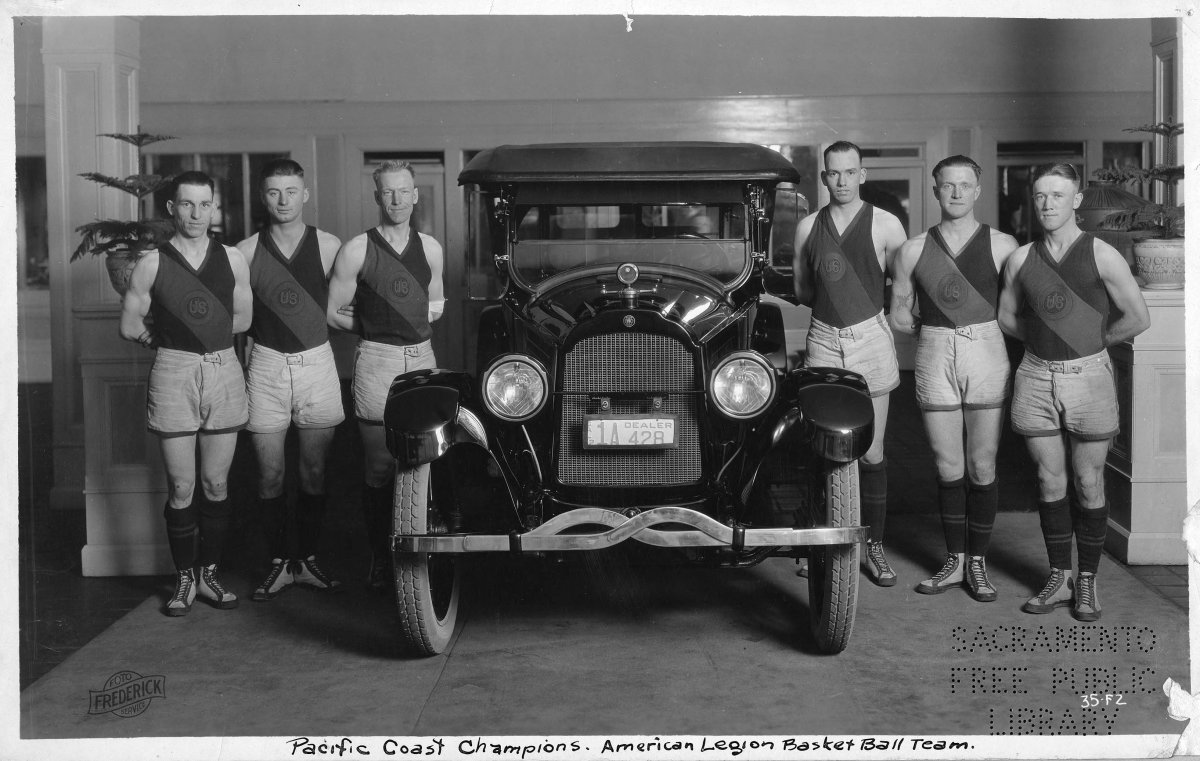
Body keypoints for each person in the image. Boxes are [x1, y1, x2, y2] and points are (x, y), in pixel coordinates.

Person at [997, 162, 1150, 622]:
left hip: (1089, 377)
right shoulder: (1020, 258)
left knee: (1087, 481)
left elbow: (1138, 318)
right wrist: (1046, 346)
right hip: (1035, 375)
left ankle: (1087, 580)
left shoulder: (1101, 254)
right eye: (1041, 196)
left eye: (1058, 196)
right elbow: (1007, 317)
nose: (1047, 204)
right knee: (1048, 480)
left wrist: (1088, 343)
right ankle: (1059, 576)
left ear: (1076, 200)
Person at [119, 170, 252, 616]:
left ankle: (209, 575)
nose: (196, 214)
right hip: (173, 370)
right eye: (187, 204)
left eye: (204, 204)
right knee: (181, 485)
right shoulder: (152, 262)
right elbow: (129, 324)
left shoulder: (232, 259)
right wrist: (172, 347)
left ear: (214, 208)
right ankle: (183, 579)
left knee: (216, 483)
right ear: (171, 209)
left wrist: (204, 340)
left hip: (221, 367)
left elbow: (242, 320)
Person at [889, 155, 1019, 601]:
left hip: (986, 348)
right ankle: (955, 560)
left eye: (965, 185)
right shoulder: (913, 248)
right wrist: (933, 330)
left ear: (978, 190)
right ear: (936, 190)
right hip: (934, 349)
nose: (957, 193)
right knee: (947, 465)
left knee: (982, 464)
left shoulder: (1003, 246)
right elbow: (899, 313)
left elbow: (1018, 310)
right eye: (949, 185)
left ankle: (978, 562)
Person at [327, 160, 445, 591]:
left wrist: (409, 325)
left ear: (415, 194)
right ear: (377, 197)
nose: (397, 200)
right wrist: (378, 327)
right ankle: (381, 558)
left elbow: (436, 305)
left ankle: (423, 558)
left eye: (404, 191)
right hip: (377, 359)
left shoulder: (430, 248)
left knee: (425, 460)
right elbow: (330, 313)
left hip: (421, 358)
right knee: (379, 465)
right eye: (388, 192)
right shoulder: (357, 248)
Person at [793, 141, 908, 586]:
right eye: (833, 173)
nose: (841, 181)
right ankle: (817, 543)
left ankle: (873, 547)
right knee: (822, 448)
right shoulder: (807, 228)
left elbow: (903, 284)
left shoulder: (886, 224)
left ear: (863, 175)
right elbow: (804, 292)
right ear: (824, 178)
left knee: (873, 451)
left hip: (871, 340)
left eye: (849, 172)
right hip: (823, 339)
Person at [235, 159, 345, 601]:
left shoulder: (329, 246)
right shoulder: (243, 252)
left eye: (291, 191)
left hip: (316, 362)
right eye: (275, 192)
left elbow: (355, 299)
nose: (283, 201)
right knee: (270, 475)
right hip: (266, 365)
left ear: (305, 194)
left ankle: (309, 560)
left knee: (314, 471)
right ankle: (280, 562)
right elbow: (232, 317)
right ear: (264, 197)